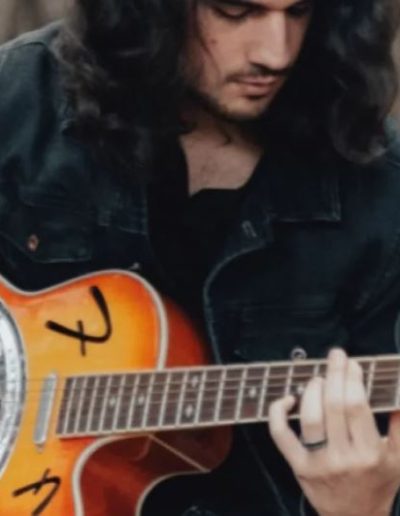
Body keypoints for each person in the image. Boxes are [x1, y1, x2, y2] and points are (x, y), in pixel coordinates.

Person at [0, 0, 400, 514]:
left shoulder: (380, 190)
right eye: (236, 11)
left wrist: (361, 508)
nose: (276, 53)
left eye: (299, 11)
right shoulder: (24, 99)